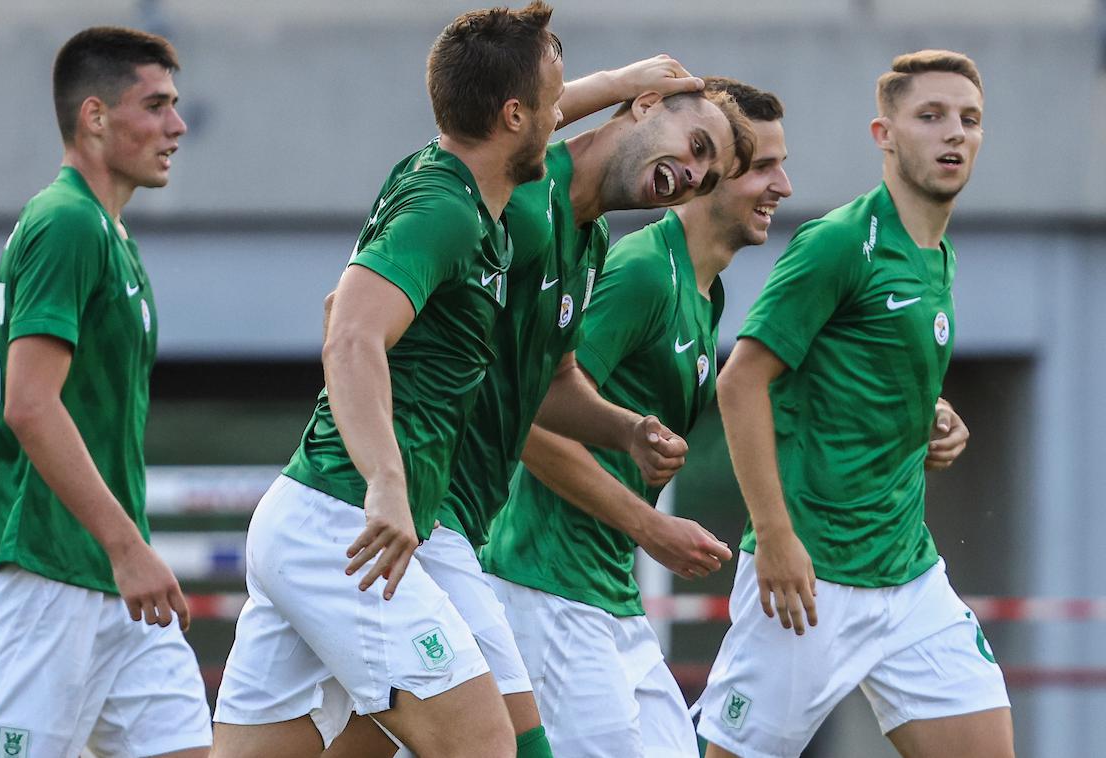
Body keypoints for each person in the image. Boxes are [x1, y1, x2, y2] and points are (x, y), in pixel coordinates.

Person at [334, 61, 754, 758]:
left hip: (442, 523)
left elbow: (549, 390)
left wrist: (628, 429)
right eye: (700, 148)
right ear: (644, 104)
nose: (695, 174)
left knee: (337, 741)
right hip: (410, 521)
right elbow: (348, 319)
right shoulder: (526, 203)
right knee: (502, 746)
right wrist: (620, 79)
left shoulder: (588, 242)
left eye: (712, 173)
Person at [210, 5, 563, 757]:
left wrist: (628, 81)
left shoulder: (445, 177)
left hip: (318, 520)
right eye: (556, 103)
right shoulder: (445, 212)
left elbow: (343, 301)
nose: (564, 117)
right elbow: (349, 331)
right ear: (511, 115)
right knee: (483, 744)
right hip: (350, 528)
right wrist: (386, 481)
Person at [693, 51, 1012, 758]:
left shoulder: (937, 252)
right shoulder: (841, 242)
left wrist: (932, 410)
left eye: (969, 120)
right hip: (809, 578)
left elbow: (866, 361)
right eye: (929, 116)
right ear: (885, 134)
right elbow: (741, 381)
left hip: (911, 576)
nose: (952, 134)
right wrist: (775, 539)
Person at [0, 26, 211, 757]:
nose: (178, 125)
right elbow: (28, 405)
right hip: (50, 577)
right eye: (157, 104)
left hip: (113, 587)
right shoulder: (68, 223)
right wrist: (128, 547)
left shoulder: (106, 233)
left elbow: (19, 410)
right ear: (95, 117)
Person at [478, 77, 782, 757]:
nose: (783, 185)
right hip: (545, 585)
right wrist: (651, 526)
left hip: (607, 594)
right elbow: (527, 418)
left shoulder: (706, 297)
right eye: (761, 166)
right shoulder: (643, 272)